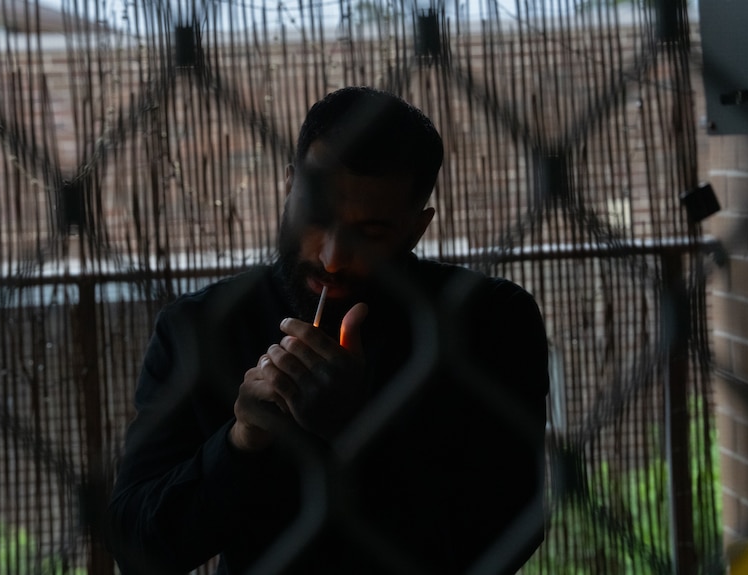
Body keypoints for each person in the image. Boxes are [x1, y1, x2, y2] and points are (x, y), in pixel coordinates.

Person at [107, 86, 549, 575]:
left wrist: (355, 428)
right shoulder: (200, 328)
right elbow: (136, 546)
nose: (333, 258)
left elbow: (511, 534)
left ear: (416, 229)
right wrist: (242, 440)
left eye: (371, 232)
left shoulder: (490, 322)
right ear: (289, 187)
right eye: (316, 216)